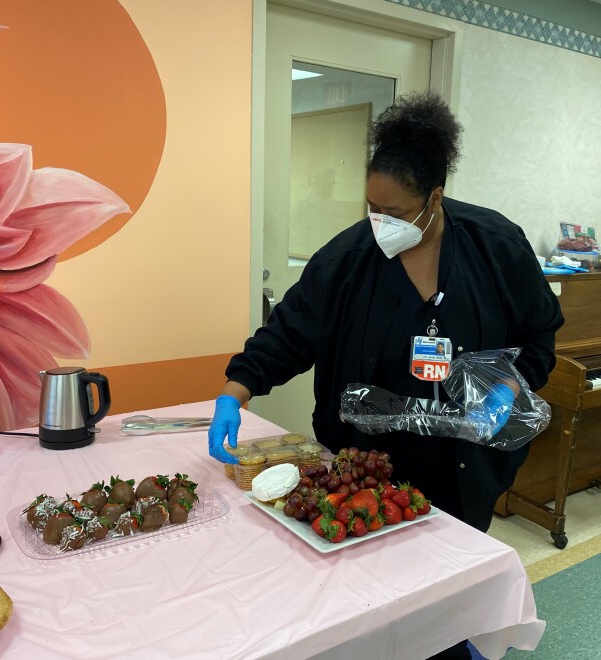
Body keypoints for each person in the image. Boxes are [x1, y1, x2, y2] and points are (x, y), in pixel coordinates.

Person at [209, 93, 563, 656]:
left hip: (462, 460)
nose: (380, 224)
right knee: (367, 599)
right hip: (363, 464)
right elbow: (291, 331)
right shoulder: (348, 259)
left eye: (395, 213)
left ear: (435, 198)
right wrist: (236, 390)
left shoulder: (495, 246)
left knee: (446, 590)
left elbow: (540, 332)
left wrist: (511, 387)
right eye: (371, 207)